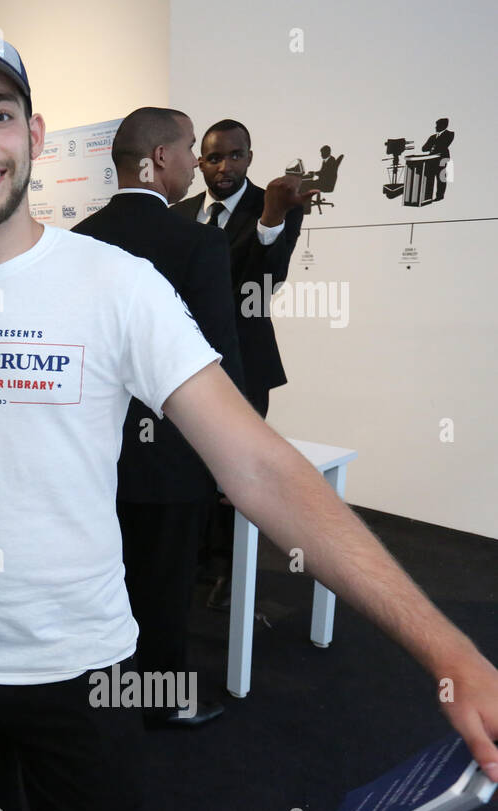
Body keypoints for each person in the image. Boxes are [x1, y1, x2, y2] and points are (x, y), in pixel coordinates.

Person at [0, 29, 498, 811]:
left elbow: (257, 464)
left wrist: (447, 649)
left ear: (33, 136)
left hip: (81, 670)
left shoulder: (115, 285)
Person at [72, 106, 245, 728]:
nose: (199, 161)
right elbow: (216, 362)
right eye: (192, 148)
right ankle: (162, 700)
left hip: (88, 453)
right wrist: (236, 461)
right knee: (166, 585)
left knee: (101, 577)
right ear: (163, 158)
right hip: (172, 458)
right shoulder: (198, 241)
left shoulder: (77, 242)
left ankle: (104, 690)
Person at [171, 119, 314, 609]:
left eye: (234, 155)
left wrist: (271, 219)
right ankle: (196, 561)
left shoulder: (275, 209)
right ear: (200, 162)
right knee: (190, 465)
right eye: (213, 157)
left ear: (250, 157)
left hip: (247, 364)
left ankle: (234, 572)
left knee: (239, 473)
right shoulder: (182, 211)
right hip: (184, 367)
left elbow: (267, 284)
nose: (224, 167)